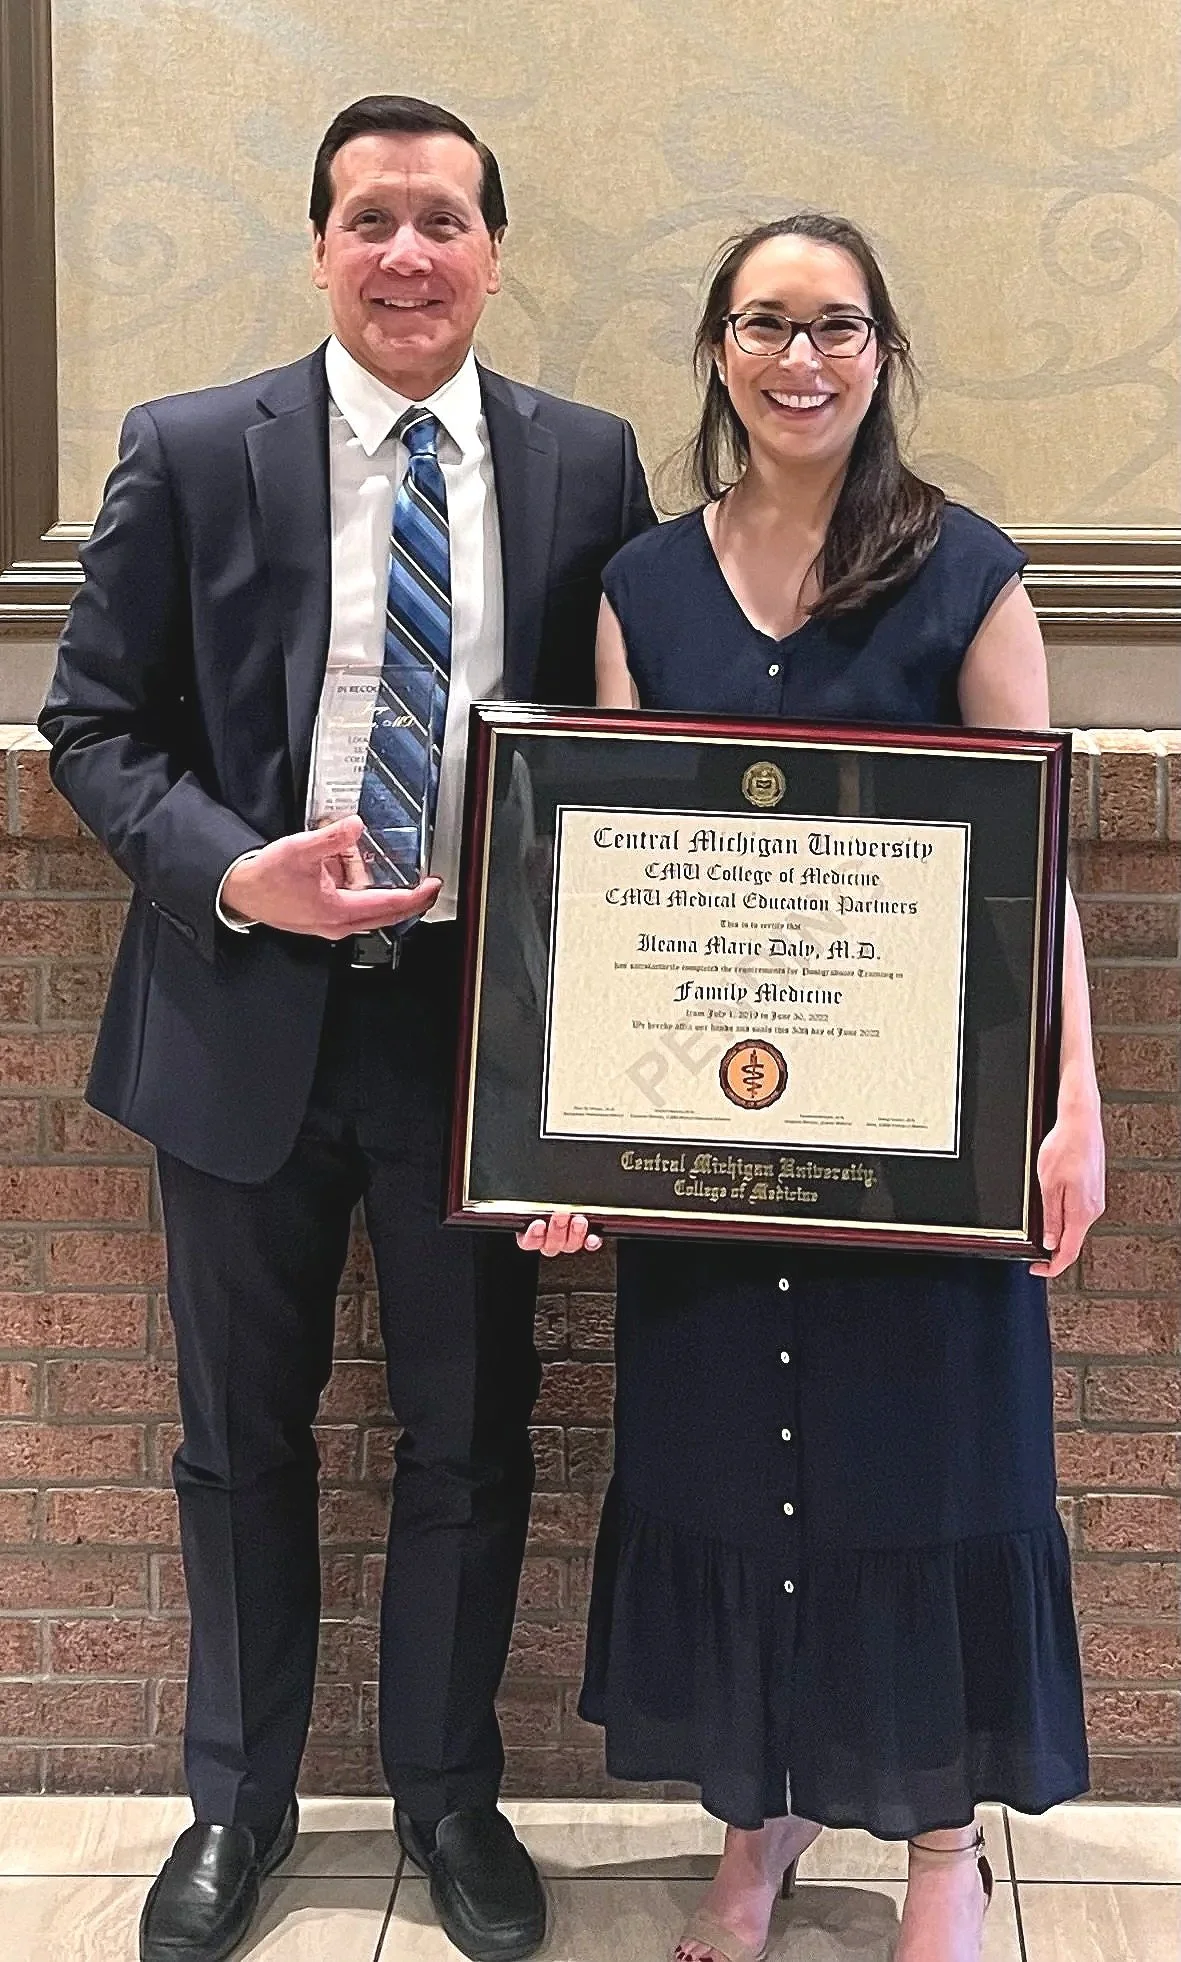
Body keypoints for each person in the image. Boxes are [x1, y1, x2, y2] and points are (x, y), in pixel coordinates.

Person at [40, 94, 654, 1962]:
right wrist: (238, 872)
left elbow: (624, 766)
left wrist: (603, 1082)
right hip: (243, 1022)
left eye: (445, 220)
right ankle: (235, 1800)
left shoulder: (583, 461)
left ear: (493, 250)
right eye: (372, 218)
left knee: (474, 1439)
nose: (409, 253)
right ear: (318, 243)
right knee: (242, 1440)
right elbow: (93, 726)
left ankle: (453, 1798)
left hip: (472, 1040)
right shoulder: (188, 449)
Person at [520, 214, 1104, 1962]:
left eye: (836, 327)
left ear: (881, 352)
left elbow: (1036, 855)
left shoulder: (970, 569)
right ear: (717, 349)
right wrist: (563, 1132)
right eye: (766, 324)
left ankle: (941, 1852)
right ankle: (751, 1836)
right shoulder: (639, 588)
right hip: (713, 1151)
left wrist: (1076, 1102)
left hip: (923, 1149)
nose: (802, 357)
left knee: (923, 1476)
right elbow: (617, 871)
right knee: (729, 1481)